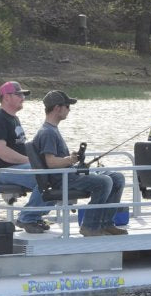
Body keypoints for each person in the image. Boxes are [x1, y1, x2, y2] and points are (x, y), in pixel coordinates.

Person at [32, 90, 127, 237]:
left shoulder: (52, 130)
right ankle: (90, 226)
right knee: (104, 182)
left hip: (69, 174)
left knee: (117, 177)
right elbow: (50, 162)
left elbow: (56, 159)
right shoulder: (47, 132)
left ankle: (106, 223)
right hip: (62, 178)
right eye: (67, 106)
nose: (69, 110)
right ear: (57, 108)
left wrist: (71, 159)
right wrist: (70, 160)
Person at [0, 80, 49, 233]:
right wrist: (33, 162)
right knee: (47, 176)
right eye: (18, 94)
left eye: (23, 95)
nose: (22, 97)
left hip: (16, 168)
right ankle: (27, 217)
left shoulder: (12, 118)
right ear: (6, 97)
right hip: (2, 171)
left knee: (57, 174)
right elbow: (1, 151)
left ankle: (34, 217)